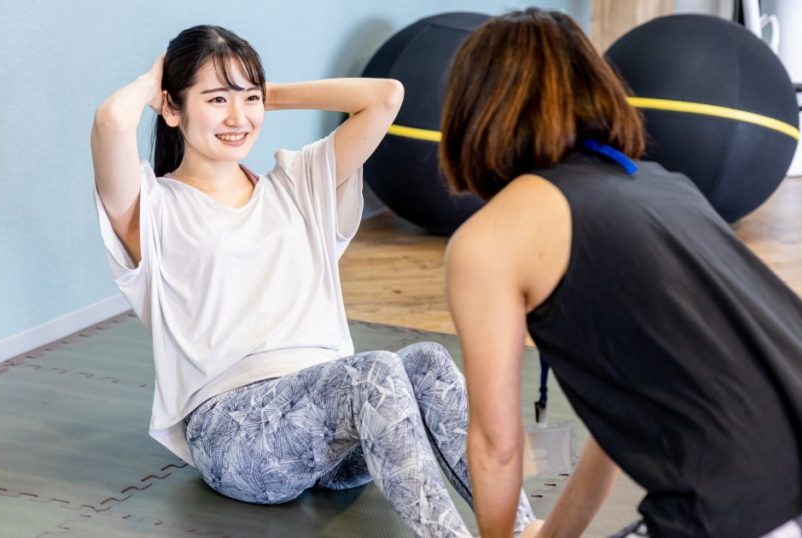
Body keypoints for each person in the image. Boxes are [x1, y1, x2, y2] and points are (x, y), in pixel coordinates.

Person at [440, 9, 802, 538]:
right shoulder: (659, 185)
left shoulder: (490, 240)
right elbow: (619, 430)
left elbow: (496, 446)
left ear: (473, 111)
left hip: (761, 512)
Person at [90, 25, 535, 537]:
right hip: (237, 439)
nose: (238, 118)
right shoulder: (153, 209)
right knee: (374, 371)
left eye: (249, 99)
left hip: (333, 436)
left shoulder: (299, 184)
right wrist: (156, 81)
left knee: (427, 362)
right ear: (171, 109)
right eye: (216, 100)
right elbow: (110, 120)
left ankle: (522, 530)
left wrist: (261, 96)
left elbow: (385, 97)